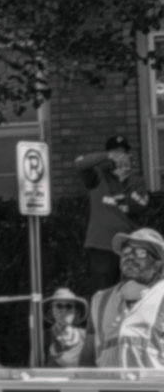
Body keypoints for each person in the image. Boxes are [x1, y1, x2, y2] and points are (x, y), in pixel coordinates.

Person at [75, 135, 149, 291]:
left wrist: (124, 182)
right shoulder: (97, 175)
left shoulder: (136, 181)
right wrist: (107, 157)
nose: (121, 157)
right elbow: (80, 163)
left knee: (130, 293)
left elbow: (141, 205)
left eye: (123, 153)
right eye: (116, 153)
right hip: (101, 246)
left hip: (128, 248)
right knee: (104, 294)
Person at [84, 228, 164, 368]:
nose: (130, 257)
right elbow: (87, 358)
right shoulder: (100, 299)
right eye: (126, 252)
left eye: (140, 253)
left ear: (158, 264)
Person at [44, 287, 87, 368]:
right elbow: (35, 369)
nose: (64, 310)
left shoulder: (86, 336)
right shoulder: (43, 338)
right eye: (59, 306)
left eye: (69, 306)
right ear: (51, 311)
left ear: (76, 311)